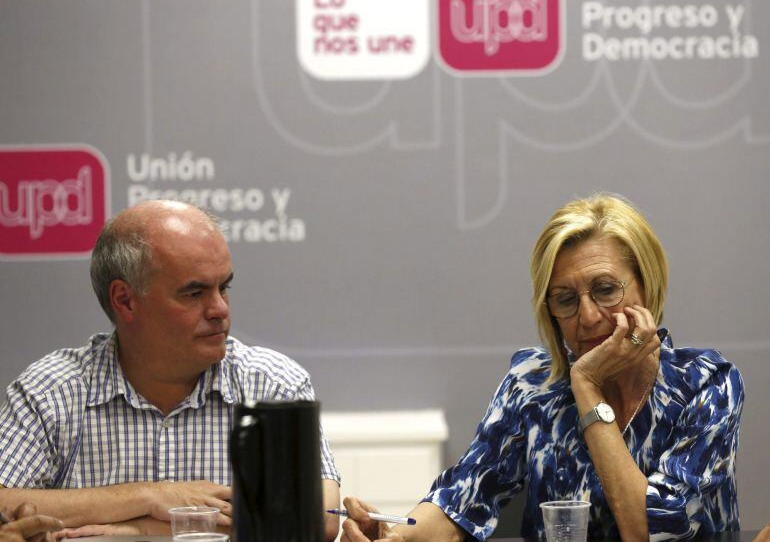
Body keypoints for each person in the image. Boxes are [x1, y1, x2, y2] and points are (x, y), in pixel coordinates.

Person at [341, 193, 743, 542]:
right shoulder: (533, 383)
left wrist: (586, 385)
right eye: (565, 299)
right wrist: (398, 534)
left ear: (647, 286)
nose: (587, 317)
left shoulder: (706, 384)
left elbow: (649, 530)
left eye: (605, 290)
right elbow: (461, 499)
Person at [0, 200, 340, 541]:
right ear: (125, 300)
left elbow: (319, 520)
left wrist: (138, 529)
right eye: (194, 293)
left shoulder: (271, 384)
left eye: (223, 287)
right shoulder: (51, 391)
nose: (220, 309)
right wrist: (149, 496)